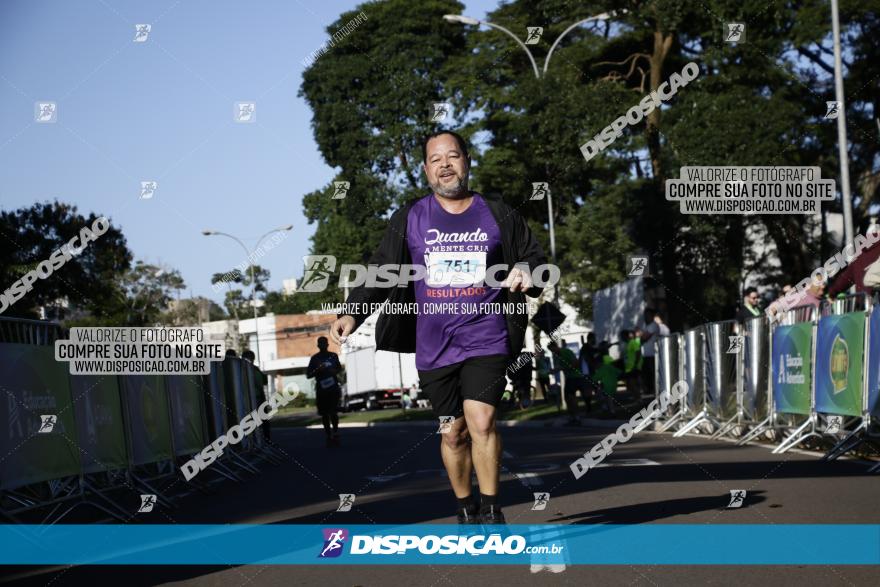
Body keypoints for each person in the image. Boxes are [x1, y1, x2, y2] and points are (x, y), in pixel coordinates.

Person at [330, 130, 547, 525]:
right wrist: (352, 312)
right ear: (427, 170)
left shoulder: (499, 213)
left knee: (482, 421)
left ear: (467, 160)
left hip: (487, 336)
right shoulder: (410, 217)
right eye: (435, 159)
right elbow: (382, 270)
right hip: (434, 346)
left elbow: (534, 258)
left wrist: (526, 271)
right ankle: (466, 506)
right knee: (453, 433)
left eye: (453, 156)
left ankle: (492, 509)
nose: (445, 165)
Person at [306, 336, 343, 447]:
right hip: (321, 389)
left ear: (327, 344)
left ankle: (335, 432)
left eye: (324, 343)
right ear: (318, 345)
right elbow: (308, 374)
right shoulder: (315, 358)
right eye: (320, 344)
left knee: (333, 412)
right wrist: (318, 369)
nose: (322, 345)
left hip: (333, 388)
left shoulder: (333, 356)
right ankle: (328, 435)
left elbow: (339, 368)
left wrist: (334, 371)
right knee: (324, 414)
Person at [548, 340, 591, 424]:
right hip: (569, 378)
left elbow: (575, 363)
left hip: (575, 377)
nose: (552, 352)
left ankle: (577, 416)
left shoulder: (566, 352)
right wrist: (555, 370)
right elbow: (561, 366)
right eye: (551, 351)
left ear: (556, 346)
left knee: (572, 398)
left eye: (552, 349)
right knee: (568, 398)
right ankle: (573, 416)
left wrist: (562, 369)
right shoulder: (558, 355)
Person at [241, 349, 271, 441]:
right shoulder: (254, 369)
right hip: (256, 399)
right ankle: (262, 441)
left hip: (251, 400)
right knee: (261, 423)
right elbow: (262, 383)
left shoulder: (241, 370)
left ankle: (258, 441)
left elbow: (261, 383)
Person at [640, 308, 670, 396]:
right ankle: (654, 391)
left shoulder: (653, 325)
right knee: (650, 374)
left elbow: (644, 338)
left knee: (653, 374)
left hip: (652, 354)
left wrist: (641, 336)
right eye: (645, 315)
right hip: (648, 354)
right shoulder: (649, 326)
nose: (646, 317)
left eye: (647, 315)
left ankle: (656, 391)